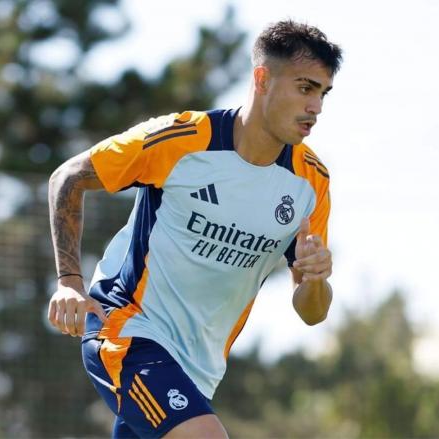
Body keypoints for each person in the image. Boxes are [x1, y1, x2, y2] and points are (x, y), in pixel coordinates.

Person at [47, 19, 342, 439]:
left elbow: (313, 312)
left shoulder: (310, 182)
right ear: (262, 79)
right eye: (305, 88)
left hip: (199, 371)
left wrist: (316, 279)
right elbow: (69, 178)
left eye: (323, 93)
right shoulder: (183, 140)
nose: (316, 107)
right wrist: (70, 283)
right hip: (126, 327)